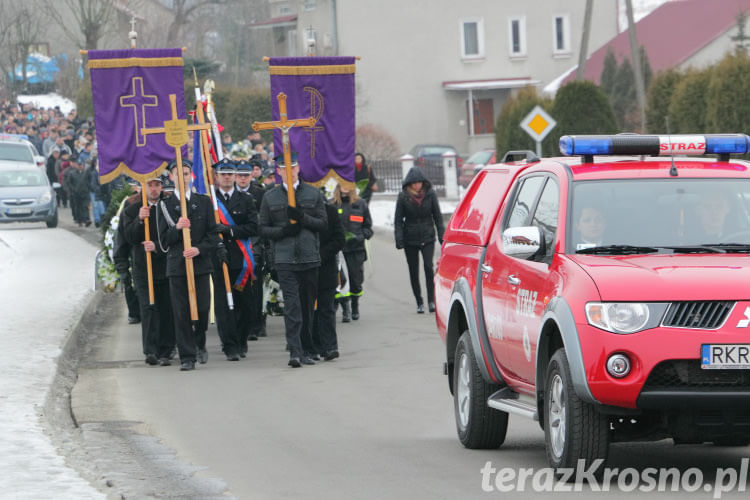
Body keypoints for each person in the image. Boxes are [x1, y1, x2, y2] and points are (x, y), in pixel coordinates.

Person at [259, 152, 327, 367]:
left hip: (309, 257)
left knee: (307, 307)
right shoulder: (270, 197)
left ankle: (307, 348)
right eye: (283, 169)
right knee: (292, 306)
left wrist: (303, 219)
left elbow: (323, 223)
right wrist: (282, 231)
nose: (289, 172)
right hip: (285, 258)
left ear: (298, 169)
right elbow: (262, 228)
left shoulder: (313, 194)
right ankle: (294, 352)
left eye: (293, 167)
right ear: (278, 171)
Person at [159, 160, 219, 371]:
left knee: (202, 308)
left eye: (186, 174)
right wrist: (176, 228)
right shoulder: (164, 206)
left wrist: (199, 249)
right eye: (178, 174)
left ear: (190, 176)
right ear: (172, 177)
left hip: (201, 264)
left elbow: (213, 235)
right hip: (177, 266)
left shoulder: (203, 202)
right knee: (181, 312)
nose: (182, 178)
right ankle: (187, 356)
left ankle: (199, 340)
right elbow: (163, 241)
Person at [121, 175, 175, 366]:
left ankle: (166, 350)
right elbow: (128, 237)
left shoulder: (168, 208)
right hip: (143, 267)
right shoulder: (133, 209)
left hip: (166, 265)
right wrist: (139, 220)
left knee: (166, 308)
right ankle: (150, 350)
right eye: (150, 185)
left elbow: (174, 234)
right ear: (143, 187)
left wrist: (158, 247)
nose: (153, 189)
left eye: (157, 185)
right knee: (148, 307)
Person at [211, 159, 259, 360]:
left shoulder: (246, 199)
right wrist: (217, 241)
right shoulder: (210, 201)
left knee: (245, 305)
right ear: (217, 177)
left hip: (242, 261)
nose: (227, 177)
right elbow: (205, 229)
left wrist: (230, 230)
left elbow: (253, 227)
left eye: (230, 173)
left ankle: (241, 340)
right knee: (223, 306)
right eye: (223, 174)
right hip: (219, 258)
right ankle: (229, 345)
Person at [394, 166, 444, 314]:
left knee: (429, 267)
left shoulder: (430, 195)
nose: (417, 185)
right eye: (414, 183)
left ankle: (431, 300)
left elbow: (438, 217)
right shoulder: (403, 197)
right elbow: (398, 220)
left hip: (428, 236)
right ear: (409, 184)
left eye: (419, 182)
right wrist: (399, 238)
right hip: (410, 238)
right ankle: (419, 301)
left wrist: (441, 235)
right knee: (413, 270)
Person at [313, 186, 346, 360]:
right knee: (310, 310)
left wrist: (322, 255)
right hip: (307, 269)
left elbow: (340, 239)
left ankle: (330, 346)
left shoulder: (331, 213)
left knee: (327, 309)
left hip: (326, 269)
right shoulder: (303, 214)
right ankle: (313, 346)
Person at [236, 159, 267, 339]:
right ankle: (243, 323)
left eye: (246, 176)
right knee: (239, 286)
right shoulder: (228, 195)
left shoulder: (260, 194)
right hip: (236, 245)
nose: (242, 179)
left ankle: (258, 323)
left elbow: (263, 220)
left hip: (255, 246)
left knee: (256, 287)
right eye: (239, 175)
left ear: (251, 176)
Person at [334, 182, 373, 321]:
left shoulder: (360, 203)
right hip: (338, 250)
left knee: (356, 280)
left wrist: (360, 236)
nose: (345, 187)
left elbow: (368, 228)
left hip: (356, 249)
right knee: (340, 280)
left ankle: (355, 305)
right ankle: (345, 308)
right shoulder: (332, 204)